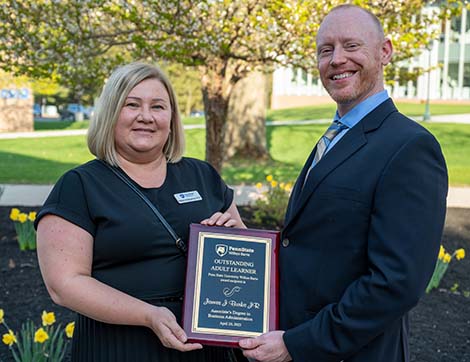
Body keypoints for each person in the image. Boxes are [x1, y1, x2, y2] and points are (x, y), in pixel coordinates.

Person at [239, 5, 448, 362]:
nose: (337, 60)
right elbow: (309, 244)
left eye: (352, 46)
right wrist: (238, 238)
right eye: (326, 50)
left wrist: (298, 344)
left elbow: (395, 284)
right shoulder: (336, 137)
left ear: (385, 52)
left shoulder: (409, 147)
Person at [35, 62, 246, 362]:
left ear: (171, 118)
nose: (146, 117)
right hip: (120, 345)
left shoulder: (202, 176)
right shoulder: (80, 186)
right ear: (111, 113)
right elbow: (64, 285)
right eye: (132, 105)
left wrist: (237, 240)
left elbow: (247, 261)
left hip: (206, 345)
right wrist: (148, 315)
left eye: (158, 106)